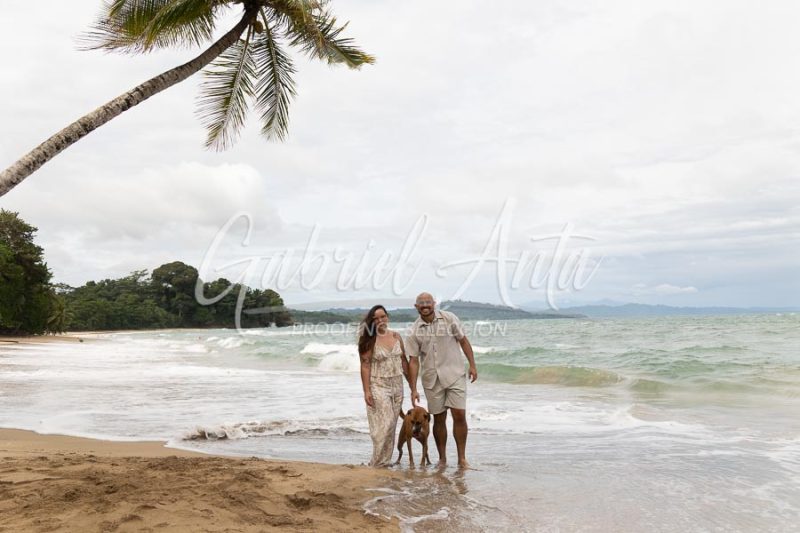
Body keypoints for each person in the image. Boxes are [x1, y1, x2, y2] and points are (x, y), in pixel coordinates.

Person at [406, 293, 478, 468]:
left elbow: (463, 341)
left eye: (428, 302)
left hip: (455, 374)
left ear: (434, 304)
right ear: (416, 306)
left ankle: (462, 458)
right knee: (439, 419)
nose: (425, 305)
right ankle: (442, 459)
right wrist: (413, 388)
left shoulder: (449, 318)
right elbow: (414, 361)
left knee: (459, 414)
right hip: (432, 379)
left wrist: (472, 365)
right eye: (421, 303)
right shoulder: (414, 330)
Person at [358, 305, 411, 467]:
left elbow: (403, 361)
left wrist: (413, 386)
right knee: (384, 423)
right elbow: (365, 365)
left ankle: (384, 461)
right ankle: (377, 462)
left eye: (383, 317)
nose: (380, 320)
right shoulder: (368, 339)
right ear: (372, 321)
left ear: (387, 317)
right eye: (376, 318)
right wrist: (367, 390)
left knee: (392, 425)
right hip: (378, 385)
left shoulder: (396, 337)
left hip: (397, 385)